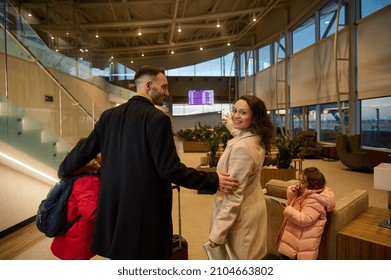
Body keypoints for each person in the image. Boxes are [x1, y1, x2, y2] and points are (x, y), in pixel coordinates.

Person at [57, 65, 239, 260]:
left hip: (113, 210)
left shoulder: (108, 116)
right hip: (143, 215)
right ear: (149, 85)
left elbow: (85, 151)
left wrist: (63, 169)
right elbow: (170, 169)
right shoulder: (157, 119)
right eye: (164, 87)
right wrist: (212, 180)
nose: (167, 92)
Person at [208, 95, 275, 260]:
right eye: (235, 111)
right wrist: (230, 122)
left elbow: (234, 194)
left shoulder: (242, 148)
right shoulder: (257, 137)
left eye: (243, 113)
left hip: (242, 215)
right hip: (253, 205)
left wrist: (218, 232)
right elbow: (238, 131)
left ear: (255, 117)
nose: (237, 116)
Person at [51, 140, 101, 260]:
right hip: (77, 238)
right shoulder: (88, 180)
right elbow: (90, 211)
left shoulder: (74, 174)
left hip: (68, 232)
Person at [277, 167, 336, 260]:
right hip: (293, 239)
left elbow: (304, 220)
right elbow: (296, 207)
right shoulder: (304, 194)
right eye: (299, 180)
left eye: (302, 182)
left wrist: (288, 210)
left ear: (312, 186)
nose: (299, 184)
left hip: (301, 248)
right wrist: (293, 194)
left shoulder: (315, 201)